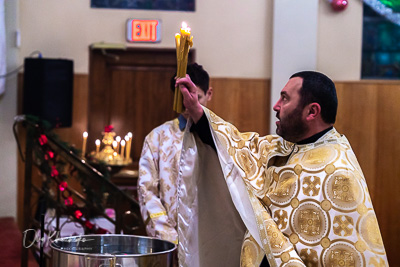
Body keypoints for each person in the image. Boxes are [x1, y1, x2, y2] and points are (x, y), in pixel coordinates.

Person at [176, 71, 388, 267]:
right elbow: (235, 148)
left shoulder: (339, 172)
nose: (276, 106)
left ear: (312, 111)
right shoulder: (284, 147)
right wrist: (196, 109)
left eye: (285, 98)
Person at [137, 63, 213, 244]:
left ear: (209, 94)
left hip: (210, 239)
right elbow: (146, 191)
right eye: (182, 100)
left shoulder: (220, 137)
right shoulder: (157, 138)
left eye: (196, 98)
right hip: (171, 241)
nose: (189, 105)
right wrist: (169, 238)